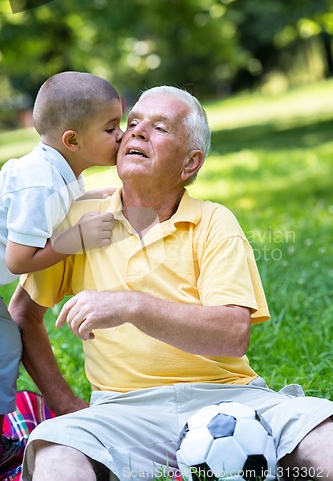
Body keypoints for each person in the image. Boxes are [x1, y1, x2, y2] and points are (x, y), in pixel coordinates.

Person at [10, 86, 333, 481]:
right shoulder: (78, 219)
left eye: (159, 127)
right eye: (131, 124)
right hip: (121, 412)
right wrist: (64, 401)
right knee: (56, 452)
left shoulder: (215, 221)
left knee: (324, 433)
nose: (137, 133)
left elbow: (232, 333)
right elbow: (24, 315)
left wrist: (130, 305)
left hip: (230, 399)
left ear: (189, 164)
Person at [0, 71, 123, 472]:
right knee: (3, 351)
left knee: (3, 346)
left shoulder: (60, 172)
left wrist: (90, 197)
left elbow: (57, 204)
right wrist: (76, 238)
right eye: (111, 128)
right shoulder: (41, 184)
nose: (121, 136)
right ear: (73, 140)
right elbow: (19, 260)